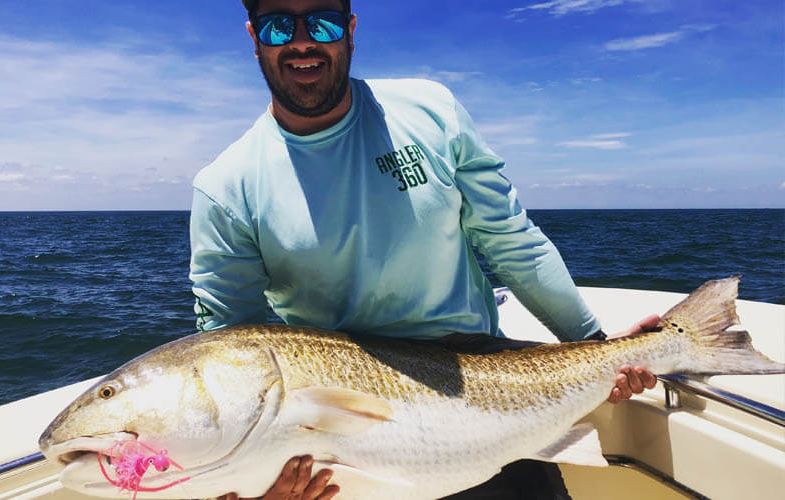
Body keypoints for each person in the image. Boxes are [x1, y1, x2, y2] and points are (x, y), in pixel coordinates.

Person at [189, 0, 658, 498]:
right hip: (348, 449)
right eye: (279, 25)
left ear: (350, 30)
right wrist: (252, 486)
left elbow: (512, 241)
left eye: (322, 21)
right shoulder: (226, 187)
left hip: (487, 401)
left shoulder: (432, 111)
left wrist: (595, 345)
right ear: (253, 36)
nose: (302, 40)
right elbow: (231, 347)